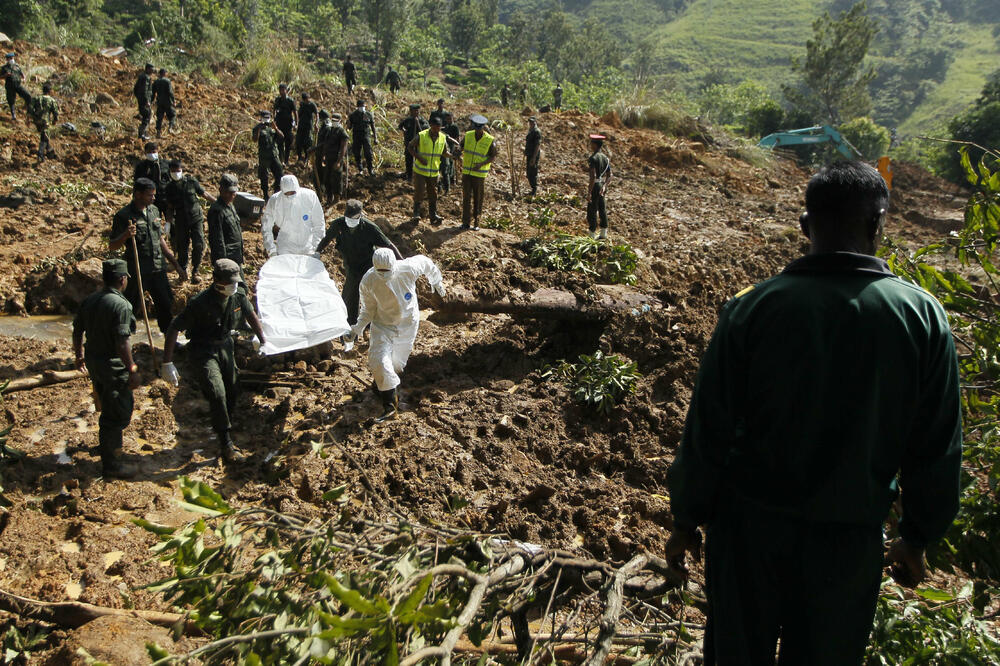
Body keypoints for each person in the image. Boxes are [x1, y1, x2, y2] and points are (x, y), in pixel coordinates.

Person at [664, 161, 962, 666]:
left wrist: (686, 518)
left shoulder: (753, 309)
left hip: (747, 536)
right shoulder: (920, 317)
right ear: (878, 224)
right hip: (846, 544)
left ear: (805, 225)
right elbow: (935, 444)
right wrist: (917, 534)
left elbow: (707, 428)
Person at [161, 259, 266, 463]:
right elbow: (174, 327)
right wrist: (167, 362)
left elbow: (250, 315)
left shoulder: (237, 295)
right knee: (217, 392)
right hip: (203, 349)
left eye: (236, 282)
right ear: (217, 280)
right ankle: (225, 443)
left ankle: (224, 419)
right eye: (229, 283)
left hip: (225, 345)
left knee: (233, 388)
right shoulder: (199, 303)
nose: (233, 287)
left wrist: (262, 340)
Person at [351, 248, 445, 422]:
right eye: (380, 271)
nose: (384, 275)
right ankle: (390, 407)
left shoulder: (408, 268)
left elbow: (426, 263)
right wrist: (357, 328)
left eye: (388, 271)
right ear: (374, 267)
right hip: (383, 325)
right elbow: (368, 309)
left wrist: (436, 280)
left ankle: (382, 386)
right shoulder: (368, 281)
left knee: (396, 365)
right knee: (378, 359)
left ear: (394, 265)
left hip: (407, 324)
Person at [73, 259, 140, 479]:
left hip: (93, 362)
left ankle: (106, 446)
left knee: (106, 401)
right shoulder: (121, 305)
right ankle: (112, 464)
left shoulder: (90, 300)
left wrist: (79, 356)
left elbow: (77, 330)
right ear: (122, 279)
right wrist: (131, 368)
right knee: (119, 413)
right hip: (112, 366)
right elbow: (122, 342)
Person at [108, 178, 187, 333]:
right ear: (138, 194)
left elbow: (160, 240)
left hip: (158, 268)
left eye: (154, 195)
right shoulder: (124, 215)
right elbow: (112, 245)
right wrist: (125, 235)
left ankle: (169, 341)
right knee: (130, 306)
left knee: (166, 305)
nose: (153, 198)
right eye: (150, 195)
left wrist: (176, 264)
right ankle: (125, 340)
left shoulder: (154, 211)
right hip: (137, 270)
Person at [316, 199, 401, 327]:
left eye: (354, 218)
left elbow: (389, 245)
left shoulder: (370, 227)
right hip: (351, 266)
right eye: (348, 217)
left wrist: (403, 262)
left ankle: (371, 325)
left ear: (360, 216)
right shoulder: (338, 224)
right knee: (350, 297)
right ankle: (349, 329)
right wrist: (317, 252)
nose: (350, 220)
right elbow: (327, 238)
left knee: (372, 296)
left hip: (368, 266)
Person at [165, 159, 215, 283]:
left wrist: (218, 202)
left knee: (198, 244)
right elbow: (170, 207)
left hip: (196, 218)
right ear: (170, 172)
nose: (176, 173)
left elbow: (204, 194)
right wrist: (168, 222)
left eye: (178, 170)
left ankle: (196, 271)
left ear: (182, 170)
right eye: (173, 171)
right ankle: (182, 272)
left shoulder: (191, 182)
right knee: (182, 247)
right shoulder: (169, 188)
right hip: (181, 221)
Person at [261, 174, 325, 257]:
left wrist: (317, 248)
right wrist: (271, 250)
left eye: (293, 193)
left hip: (308, 247)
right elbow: (266, 226)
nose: (290, 195)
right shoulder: (275, 200)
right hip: (285, 247)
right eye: (287, 194)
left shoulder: (310, 196)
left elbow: (319, 223)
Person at [408, 115, 451, 225]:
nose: (436, 130)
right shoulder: (422, 136)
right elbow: (410, 147)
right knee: (419, 192)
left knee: (433, 193)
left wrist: (453, 156)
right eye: (435, 127)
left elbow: (444, 152)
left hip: (433, 172)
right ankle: (416, 214)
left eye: (439, 128)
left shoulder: (442, 137)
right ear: (431, 126)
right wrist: (419, 158)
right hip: (420, 171)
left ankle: (433, 215)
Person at [460, 114, 497, 230]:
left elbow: (493, 156)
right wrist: (457, 151)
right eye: (476, 128)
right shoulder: (468, 136)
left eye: (479, 128)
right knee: (466, 198)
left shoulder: (489, 140)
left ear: (483, 128)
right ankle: (465, 222)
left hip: (479, 175)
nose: (477, 131)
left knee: (478, 198)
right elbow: (460, 147)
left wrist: (481, 164)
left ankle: (476, 222)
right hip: (467, 173)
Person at [207, 174, 245, 281]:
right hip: (227, 259)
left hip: (236, 256)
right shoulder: (217, 210)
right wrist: (223, 264)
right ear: (220, 190)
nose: (231, 195)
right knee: (235, 289)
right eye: (228, 192)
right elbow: (217, 239)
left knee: (239, 289)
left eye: (233, 192)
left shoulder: (230, 206)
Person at [318, 112, 351, 206]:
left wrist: (339, 161)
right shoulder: (329, 130)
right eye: (333, 120)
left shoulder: (341, 132)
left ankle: (337, 198)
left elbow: (343, 147)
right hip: (328, 158)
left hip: (336, 158)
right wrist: (324, 156)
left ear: (340, 121)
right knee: (327, 178)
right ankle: (329, 197)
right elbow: (326, 144)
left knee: (336, 178)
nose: (334, 122)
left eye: (336, 121)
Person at [253, 110, 285, 198]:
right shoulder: (257, 128)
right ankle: (265, 194)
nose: (266, 119)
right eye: (264, 117)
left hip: (274, 155)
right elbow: (254, 139)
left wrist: (276, 128)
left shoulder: (272, 127)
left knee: (279, 173)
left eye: (268, 117)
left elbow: (282, 137)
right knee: (264, 176)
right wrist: (259, 129)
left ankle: (276, 192)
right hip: (264, 156)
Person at [133, 141, 170, 215]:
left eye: (154, 151)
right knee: (154, 221)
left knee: (172, 223)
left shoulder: (166, 164)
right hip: (151, 199)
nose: (152, 154)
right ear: (145, 153)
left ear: (157, 151)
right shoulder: (141, 166)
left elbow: (171, 180)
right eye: (149, 152)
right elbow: (137, 183)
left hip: (166, 198)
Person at [586, 134, 612, 239]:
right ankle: (603, 234)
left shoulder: (593, 158)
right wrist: (605, 186)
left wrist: (589, 192)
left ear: (595, 145)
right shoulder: (605, 158)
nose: (590, 144)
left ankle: (591, 235)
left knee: (592, 210)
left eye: (591, 143)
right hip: (602, 185)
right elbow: (610, 175)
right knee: (602, 209)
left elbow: (593, 177)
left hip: (595, 185)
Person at [28, 82, 58, 162]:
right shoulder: (51, 100)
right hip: (45, 121)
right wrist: (55, 120)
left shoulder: (36, 98)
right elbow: (55, 112)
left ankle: (50, 152)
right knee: (44, 138)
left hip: (37, 121)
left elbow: (30, 108)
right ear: (50, 91)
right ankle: (40, 154)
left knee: (44, 135)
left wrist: (30, 118)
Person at [347, 99, 377, 177]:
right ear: (357, 107)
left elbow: (373, 126)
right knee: (357, 153)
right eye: (360, 106)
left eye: (363, 106)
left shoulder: (368, 114)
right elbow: (349, 128)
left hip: (366, 135)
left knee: (368, 153)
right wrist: (348, 121)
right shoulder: (353, 115)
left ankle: (370, 169)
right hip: (356, 136)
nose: (362, 108)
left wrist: (375, 138)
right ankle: (360, 169)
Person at [397, 103, 428, 180]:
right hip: (409, 143)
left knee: (419, 160)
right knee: (409, 160)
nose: (416, 113)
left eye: (417, 111)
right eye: (414, 111)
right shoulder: (408, 120)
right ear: (411, 111)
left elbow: (424, 131)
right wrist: (405, 131)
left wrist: (418, 124)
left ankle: (419, 176)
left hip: (419, 144)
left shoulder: (422, 120)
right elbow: (400, 126)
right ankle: (409, 175)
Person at [1, 52, 31, 122]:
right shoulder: (4, 68)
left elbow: (21, 73)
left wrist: (23, 78)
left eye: (12, 58)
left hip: (18, 85)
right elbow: (0, 76)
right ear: (7, 59)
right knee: (11, 101)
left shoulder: (17, 66)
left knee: (28, 95)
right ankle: (13, 115)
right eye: (10, 58)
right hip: (10, 86)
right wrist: (5, 75)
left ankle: (28, 111)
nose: (12, 59)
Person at [272, 83, 297, 164]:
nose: (281, 92)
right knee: (279, 142)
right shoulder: (277, 100)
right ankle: (281, 160)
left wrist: (296, 124)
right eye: (280, 90)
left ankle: (286, 161)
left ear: (286, 91)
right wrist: (274, 119)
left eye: (283, 90)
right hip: (279, 124)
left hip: (288, 125)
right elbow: (274, 110)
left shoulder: (290, 101)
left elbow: (295, 113)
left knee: (288, 144)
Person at [439, 111, 461, 194]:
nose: (448, 120)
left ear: (452, 118)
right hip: (445, 147)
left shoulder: (454, 127)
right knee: (448, 164)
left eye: (450, 118)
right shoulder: (445, 127)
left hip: (451, 146)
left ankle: (452, 180)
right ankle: (449, 181)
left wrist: (457, 147)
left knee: (450, 163)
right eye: (447, 119)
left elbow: (457, 138)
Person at [151, 68, 176, 139]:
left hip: (159, 102)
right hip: (167, 102)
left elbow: (153, 93)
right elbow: (170, 92)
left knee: (159, 118)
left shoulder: (156, 82)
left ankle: (158, 133)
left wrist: (151, 101)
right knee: (173, 115)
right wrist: (173, 100)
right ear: (164, 73)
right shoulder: (167, 81)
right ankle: (170, 128)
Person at [295, 92, 318, 163]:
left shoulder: (312, 105)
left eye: (308, 99)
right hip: (301, 126)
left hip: (308, 126)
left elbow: (317, 114)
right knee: (299, 141)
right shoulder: (302, 105)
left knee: (307, 142)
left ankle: (306, 157)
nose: (307, 100)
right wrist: (296, 124)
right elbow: (298, 115)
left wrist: (316, 123)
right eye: (306, 99)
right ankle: (299, 157)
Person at [313, 109, 333, 192]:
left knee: (323, 173)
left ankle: (324, 190)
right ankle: (320, 189)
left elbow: (325, 142)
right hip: (319, 153)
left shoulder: (327, 127)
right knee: (318, 173)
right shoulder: (323, 126)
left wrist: (315, 148)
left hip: (323, 154)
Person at [133, 63, 155, 139]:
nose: (152, 71)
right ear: (147, 69)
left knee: (146, 115)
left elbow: (135, 89)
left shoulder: (141, 76)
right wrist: (146, 101)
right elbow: (144, 90)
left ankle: (143, 133)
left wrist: (139, 98)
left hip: (141, 99)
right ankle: (142, 134)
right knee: (147, 115)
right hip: (144, 101)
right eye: (151, 70)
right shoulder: (145, 78)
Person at [524, 116, 542, 197]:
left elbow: (537, 145)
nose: (530, 123)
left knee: (532, 172)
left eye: (532, 122)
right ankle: (532, 189)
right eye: (529, 122)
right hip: (529, 154)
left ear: (535, 122)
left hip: (533, 155)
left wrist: (534, 158)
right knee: (528, 172)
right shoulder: (530, 130)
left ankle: (534, 190)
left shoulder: (536, 131)